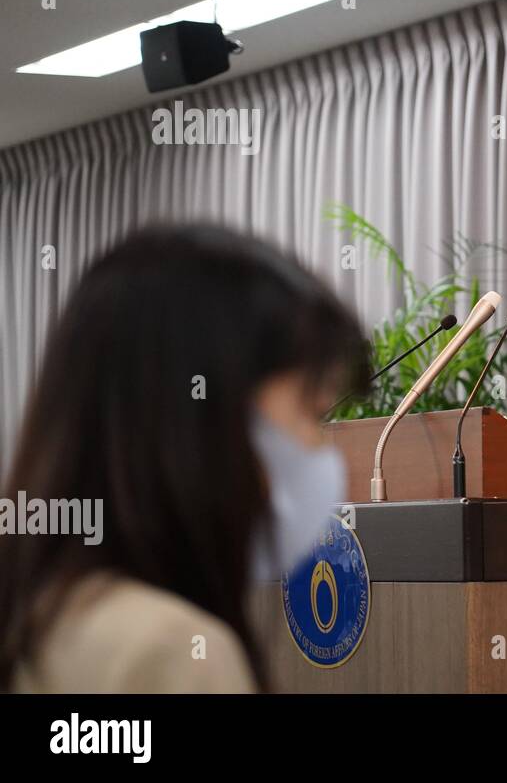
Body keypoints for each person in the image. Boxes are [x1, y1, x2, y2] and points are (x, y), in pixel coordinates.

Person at [0, 224, 369, 692]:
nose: (321, 449)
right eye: (311, 412)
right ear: (205, 422)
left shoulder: (40, 613)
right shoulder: (171, 652)